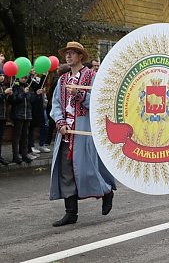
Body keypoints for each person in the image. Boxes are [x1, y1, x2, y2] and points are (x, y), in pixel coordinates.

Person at [49, 41, 116, 227]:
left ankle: (106, 191)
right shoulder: (62, 80)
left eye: (73, 53)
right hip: (66, 132)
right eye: (67, 53)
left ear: (80, 57)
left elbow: (99, 103)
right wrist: (59, 121)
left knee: (87, 169)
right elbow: (55, 104)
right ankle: (71, 212)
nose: (68, 56)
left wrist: (79, 95)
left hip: (84, 131)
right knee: (65, 172)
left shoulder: (92, 77)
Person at [9, 76, 34, 164]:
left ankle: (24, 155)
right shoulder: (15, 86)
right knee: (17, 136)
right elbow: (13, 100)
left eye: (25, 78)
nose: (24, 79)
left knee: (25, 136)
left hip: (28, 115)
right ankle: (15, 156)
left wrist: (36, 95)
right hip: (18, 115)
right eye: (22, 78)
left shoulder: (28, 86)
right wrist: (23, 93)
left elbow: (32, 99)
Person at [0, 68, 12, 165]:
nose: (2, 77)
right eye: (0, 75)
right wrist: (4, 94)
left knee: (1, 138)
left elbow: (7, 102)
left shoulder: (4, 86)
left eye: (3, 75)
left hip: (3, 116)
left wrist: (9, 95)